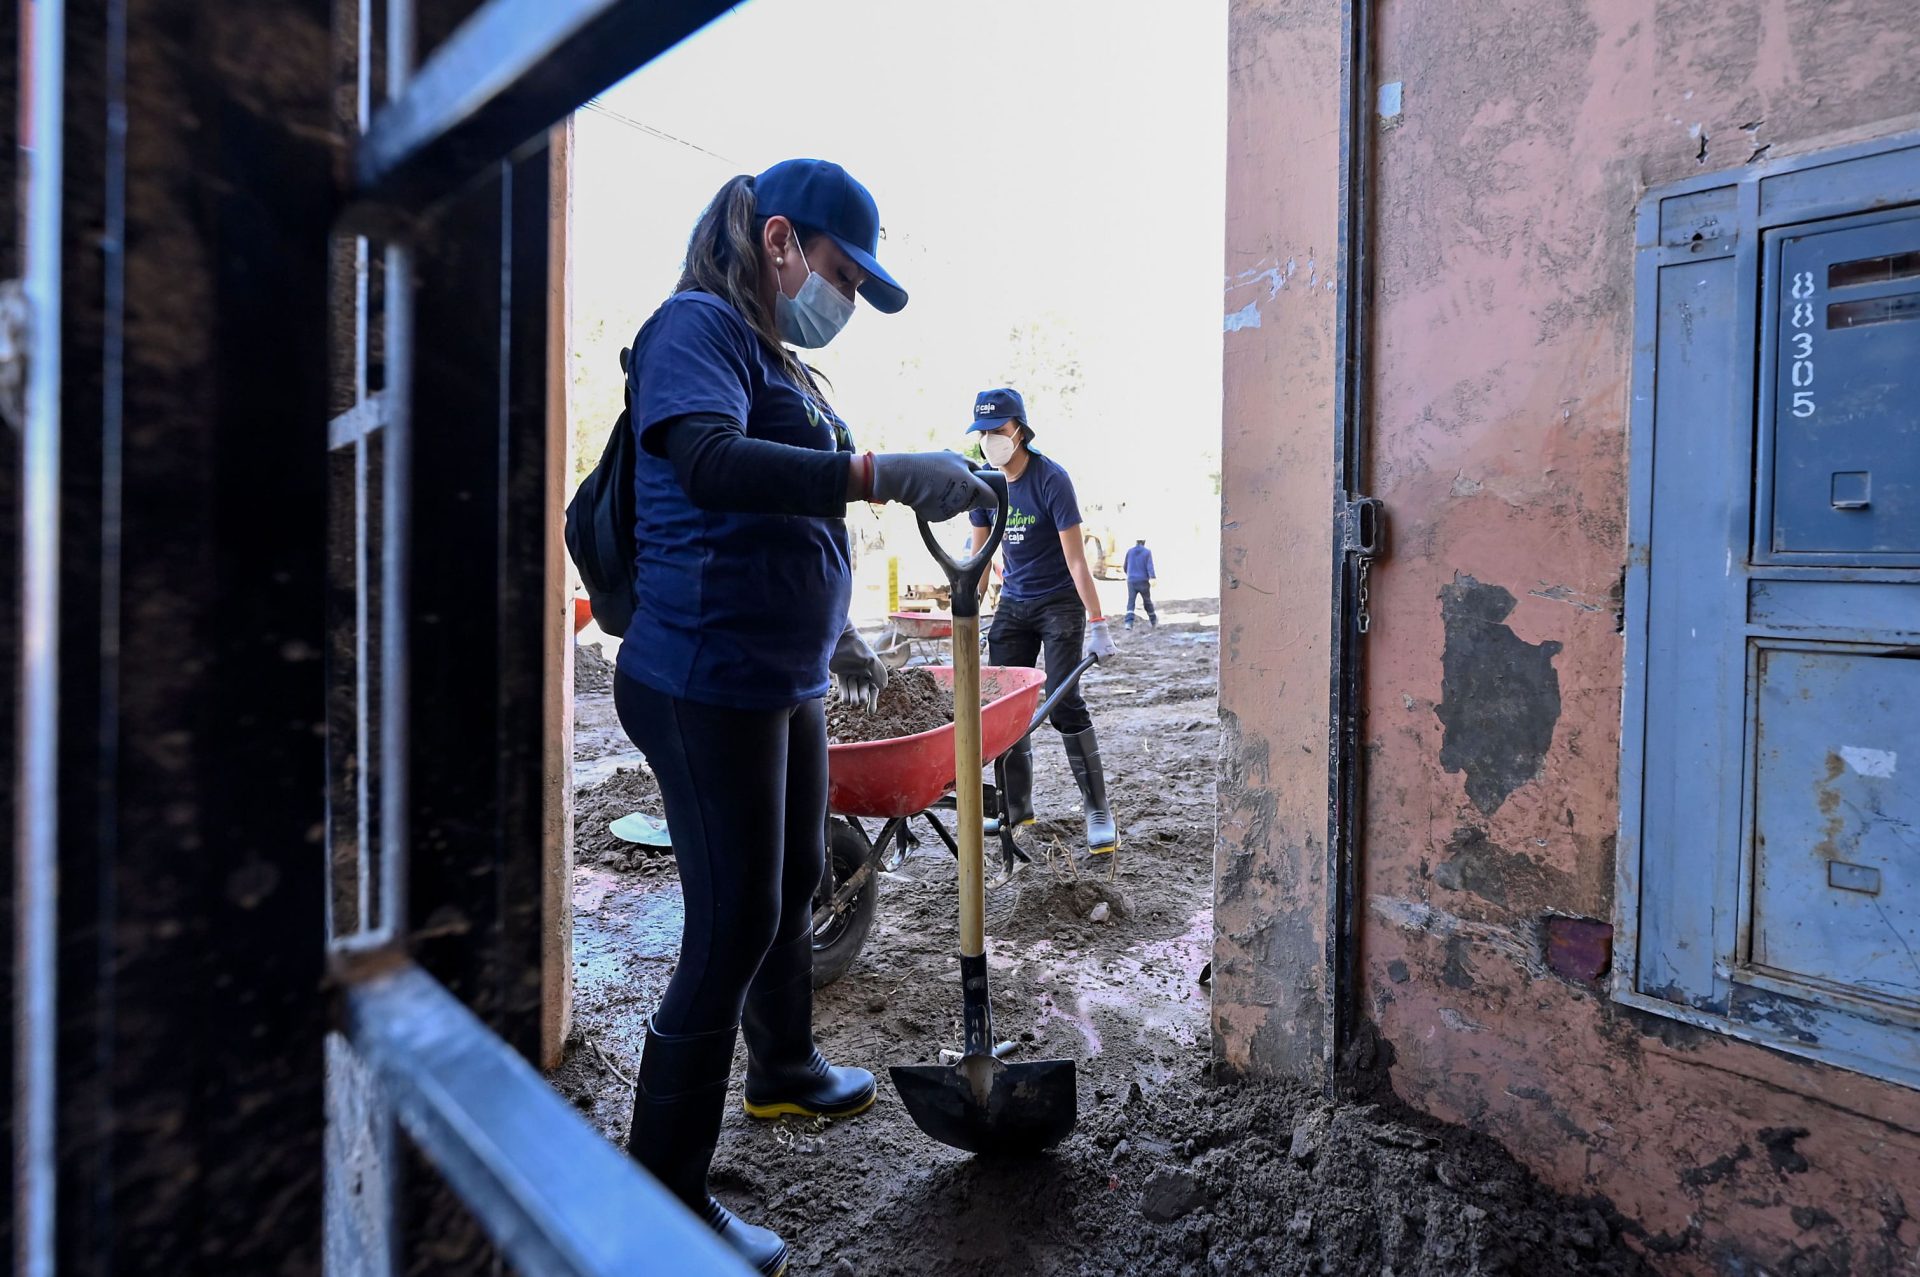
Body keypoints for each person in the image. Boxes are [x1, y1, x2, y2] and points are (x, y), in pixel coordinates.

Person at [615, 159, 995, 1276]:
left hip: (782, 675)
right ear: (780, 243)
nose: (844, 300)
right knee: (729, 922)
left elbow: (788, 507)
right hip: (702, 678)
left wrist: (835, 627)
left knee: (785, 889)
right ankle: (666, 1200)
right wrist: (879, 472)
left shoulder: (775, 354)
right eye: (839, 272)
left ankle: (782, 1066)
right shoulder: (694, 326)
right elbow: (712, 463)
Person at [966, 388, 1118, 855]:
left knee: (1063, 698)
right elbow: (977, 553)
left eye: (999, 431)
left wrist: (1097, 621)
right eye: (984, 433)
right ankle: (1016, 805)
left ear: (1020, 431)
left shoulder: (1051, 479)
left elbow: (1076, 560)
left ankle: (1097, 809)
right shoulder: (984, 485)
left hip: (1059, 604)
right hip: (1013, 603)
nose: (992, 440)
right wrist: (965, 609)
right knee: (1003, 704)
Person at [1123, 538, 1158, 630]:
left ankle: (1128, 623)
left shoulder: (1130, 551)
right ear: (1144, 542)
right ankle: (1153, 621)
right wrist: (1152, 577)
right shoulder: (1147, 552)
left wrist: (1130, 575)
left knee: (1131, 601)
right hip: (1143, 581)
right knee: (1147, 601)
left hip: (1131, 581)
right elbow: (1149, 566)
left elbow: (1125, 566)